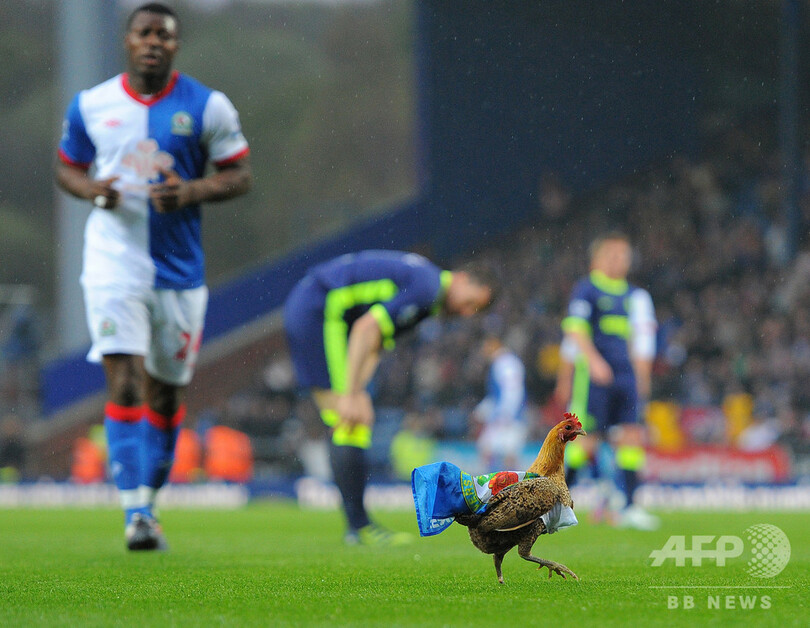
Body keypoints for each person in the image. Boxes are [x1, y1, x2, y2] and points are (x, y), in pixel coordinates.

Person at [55, 2, 252, 551]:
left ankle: (151, 498)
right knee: (123, 383)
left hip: (180, 273)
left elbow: (239, 175)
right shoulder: (92, 104)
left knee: (164, 399)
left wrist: (190, 191)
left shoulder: (208, 106)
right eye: (143, 33)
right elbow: (67, 166)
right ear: (127, 41)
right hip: (112, 264)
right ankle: (135, 513)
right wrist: (91, 190)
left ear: (175, 46)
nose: (153, 42)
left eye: (163, 35)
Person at [284, 250, 497, 545]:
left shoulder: (428, 292)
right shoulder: (429, 288)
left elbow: (375, 341)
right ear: (462, 278)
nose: (465, 312)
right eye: (470, 303)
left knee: (355, 418)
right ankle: (358, 528)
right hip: (320, 310)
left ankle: (358, 528)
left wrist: (359, 392)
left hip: (320, 308)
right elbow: (365, 328)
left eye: (474, 311)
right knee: (347, 419)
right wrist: (350, 394)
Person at [554, 232, 659, 530]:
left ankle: (629, 506)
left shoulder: (632, 295)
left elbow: (640, 341)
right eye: (613, 254)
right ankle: (558, 505)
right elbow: (574, 328)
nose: (620, 260)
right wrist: (594, 360)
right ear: (598, 258)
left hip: (624, 376)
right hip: (594, 376)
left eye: (624, 255)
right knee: (586, 441)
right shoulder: (586, 289)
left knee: (631, 437)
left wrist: (640, 378)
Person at [473, 335, 528, 470]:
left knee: (498, 451)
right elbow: (497, 394)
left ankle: (502, 484)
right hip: (508, 414)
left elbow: (512, 390)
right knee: (499, 451)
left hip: (509, 416)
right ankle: (506, 484)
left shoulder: (505, 363)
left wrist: (505, 414)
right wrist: (482, 411)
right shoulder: (504, 362)